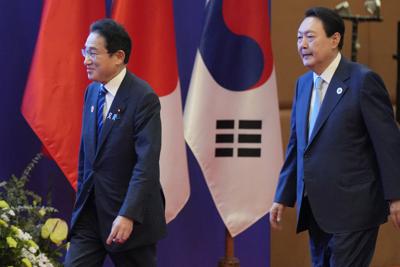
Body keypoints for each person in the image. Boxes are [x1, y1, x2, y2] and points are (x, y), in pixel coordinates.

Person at [270, 6, 400, 267]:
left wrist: (396, 197)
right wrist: (282, 196)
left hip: (355, 210)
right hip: (317, 209)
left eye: (310, 36)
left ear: (335, 39)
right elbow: (298, 146)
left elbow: (388, 144)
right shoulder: (303, 84)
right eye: (298, 37)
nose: (302, 44)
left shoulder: (363, 81)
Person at [65, 18, 166, 267]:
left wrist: (128, 214)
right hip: (91, 214)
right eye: (84, 51)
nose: (85, 60)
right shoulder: (91, 92)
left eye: (92, 53)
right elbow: (86, 157)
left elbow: (147, 163)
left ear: (118, 56)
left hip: (127, 218)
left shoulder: (143, 98)